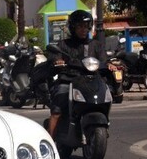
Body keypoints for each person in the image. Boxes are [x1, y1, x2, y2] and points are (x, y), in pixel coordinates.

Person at [47, 10, 113, 138]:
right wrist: (57, 60)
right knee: (57, 110)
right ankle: (50, 142)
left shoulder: (96, 45)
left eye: (86, 26)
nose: (84, 29)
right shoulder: (64, 44)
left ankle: (104, 124)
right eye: (80, 26)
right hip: (69, 80)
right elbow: (55, 56)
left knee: (105, 96)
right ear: (73, 27)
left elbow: (103, 60)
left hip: (90, 80)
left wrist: (109, 64)